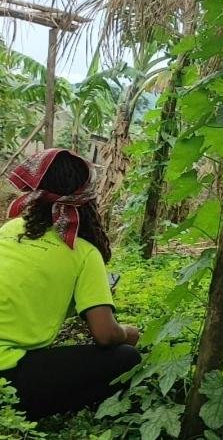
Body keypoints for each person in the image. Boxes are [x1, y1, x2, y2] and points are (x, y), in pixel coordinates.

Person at [0, 149, 141, 420]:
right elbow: (105, 334)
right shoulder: (84, 252)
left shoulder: (9, 229)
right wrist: (128, 332)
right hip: (9, 376)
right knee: (126, 358)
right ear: (86, 199)